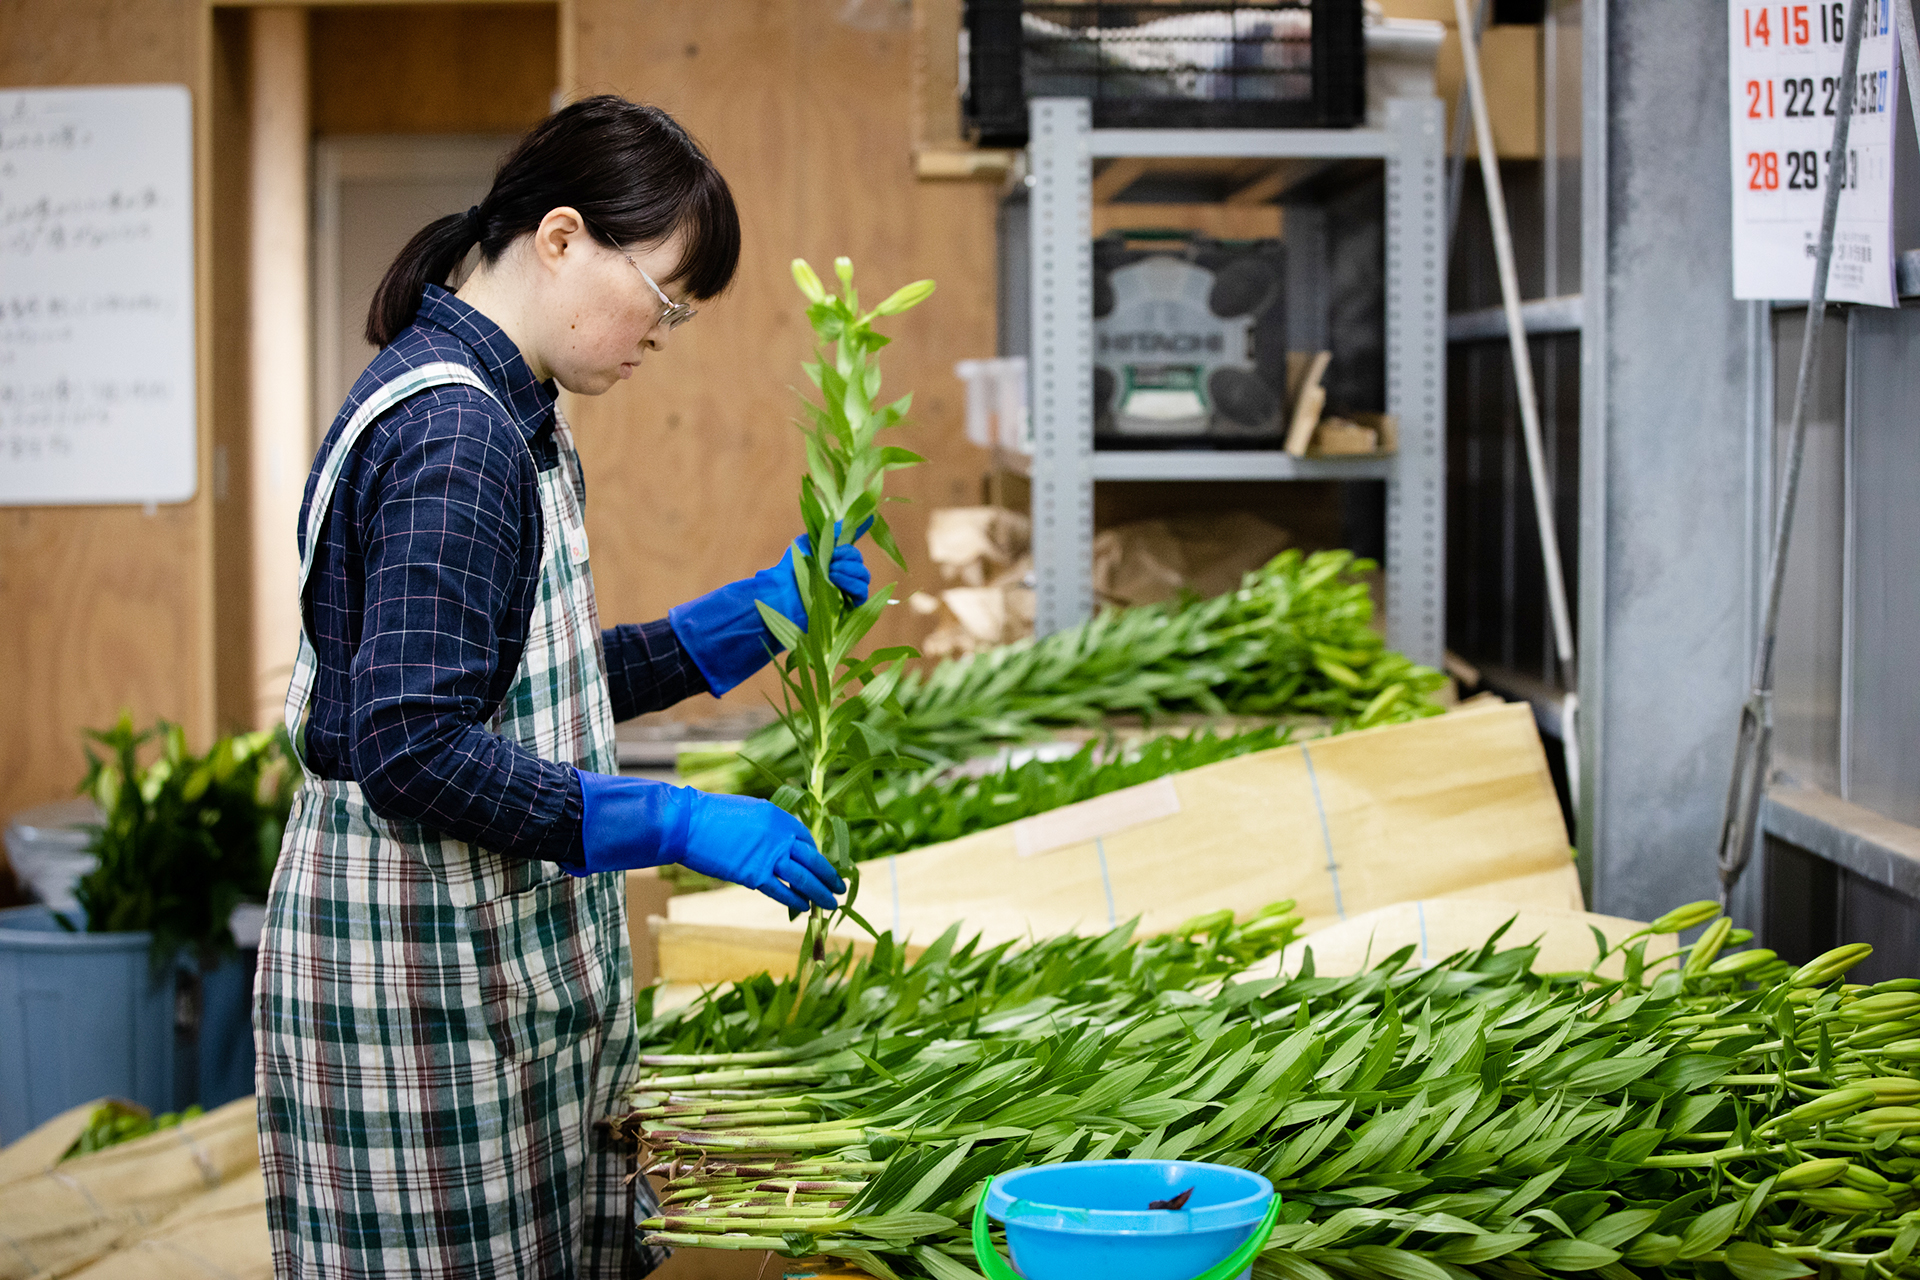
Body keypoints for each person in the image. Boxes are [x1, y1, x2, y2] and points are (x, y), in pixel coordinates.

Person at [254, 95, 855, 1279]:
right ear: (564, 236)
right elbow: (414, 745)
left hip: (474, 969)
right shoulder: (456, 437)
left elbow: (541, 674)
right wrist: (670, 818)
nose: (660, 336)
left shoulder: (511, 411)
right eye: (666, 301)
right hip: (421, 991)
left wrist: (758, 617)